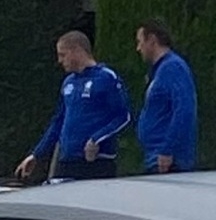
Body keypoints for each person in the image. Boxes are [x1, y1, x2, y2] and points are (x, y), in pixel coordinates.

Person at [15, 32, 130, 183]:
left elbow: (123, 116)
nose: (60, 60)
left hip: (95, 161)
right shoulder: (69, 83)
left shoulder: (106, 77)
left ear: (77, 50)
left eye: (63, 55)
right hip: (67, 159)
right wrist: (37, 154)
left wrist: (97, 139)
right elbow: (58, 121)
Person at [134, 19, 199, 173]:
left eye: (140, 42)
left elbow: (184, 109)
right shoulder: (159, 71)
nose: (138, 48)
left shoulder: (172, 67)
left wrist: (168, 149)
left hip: (168, 160)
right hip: (155, 157)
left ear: (152, 40)